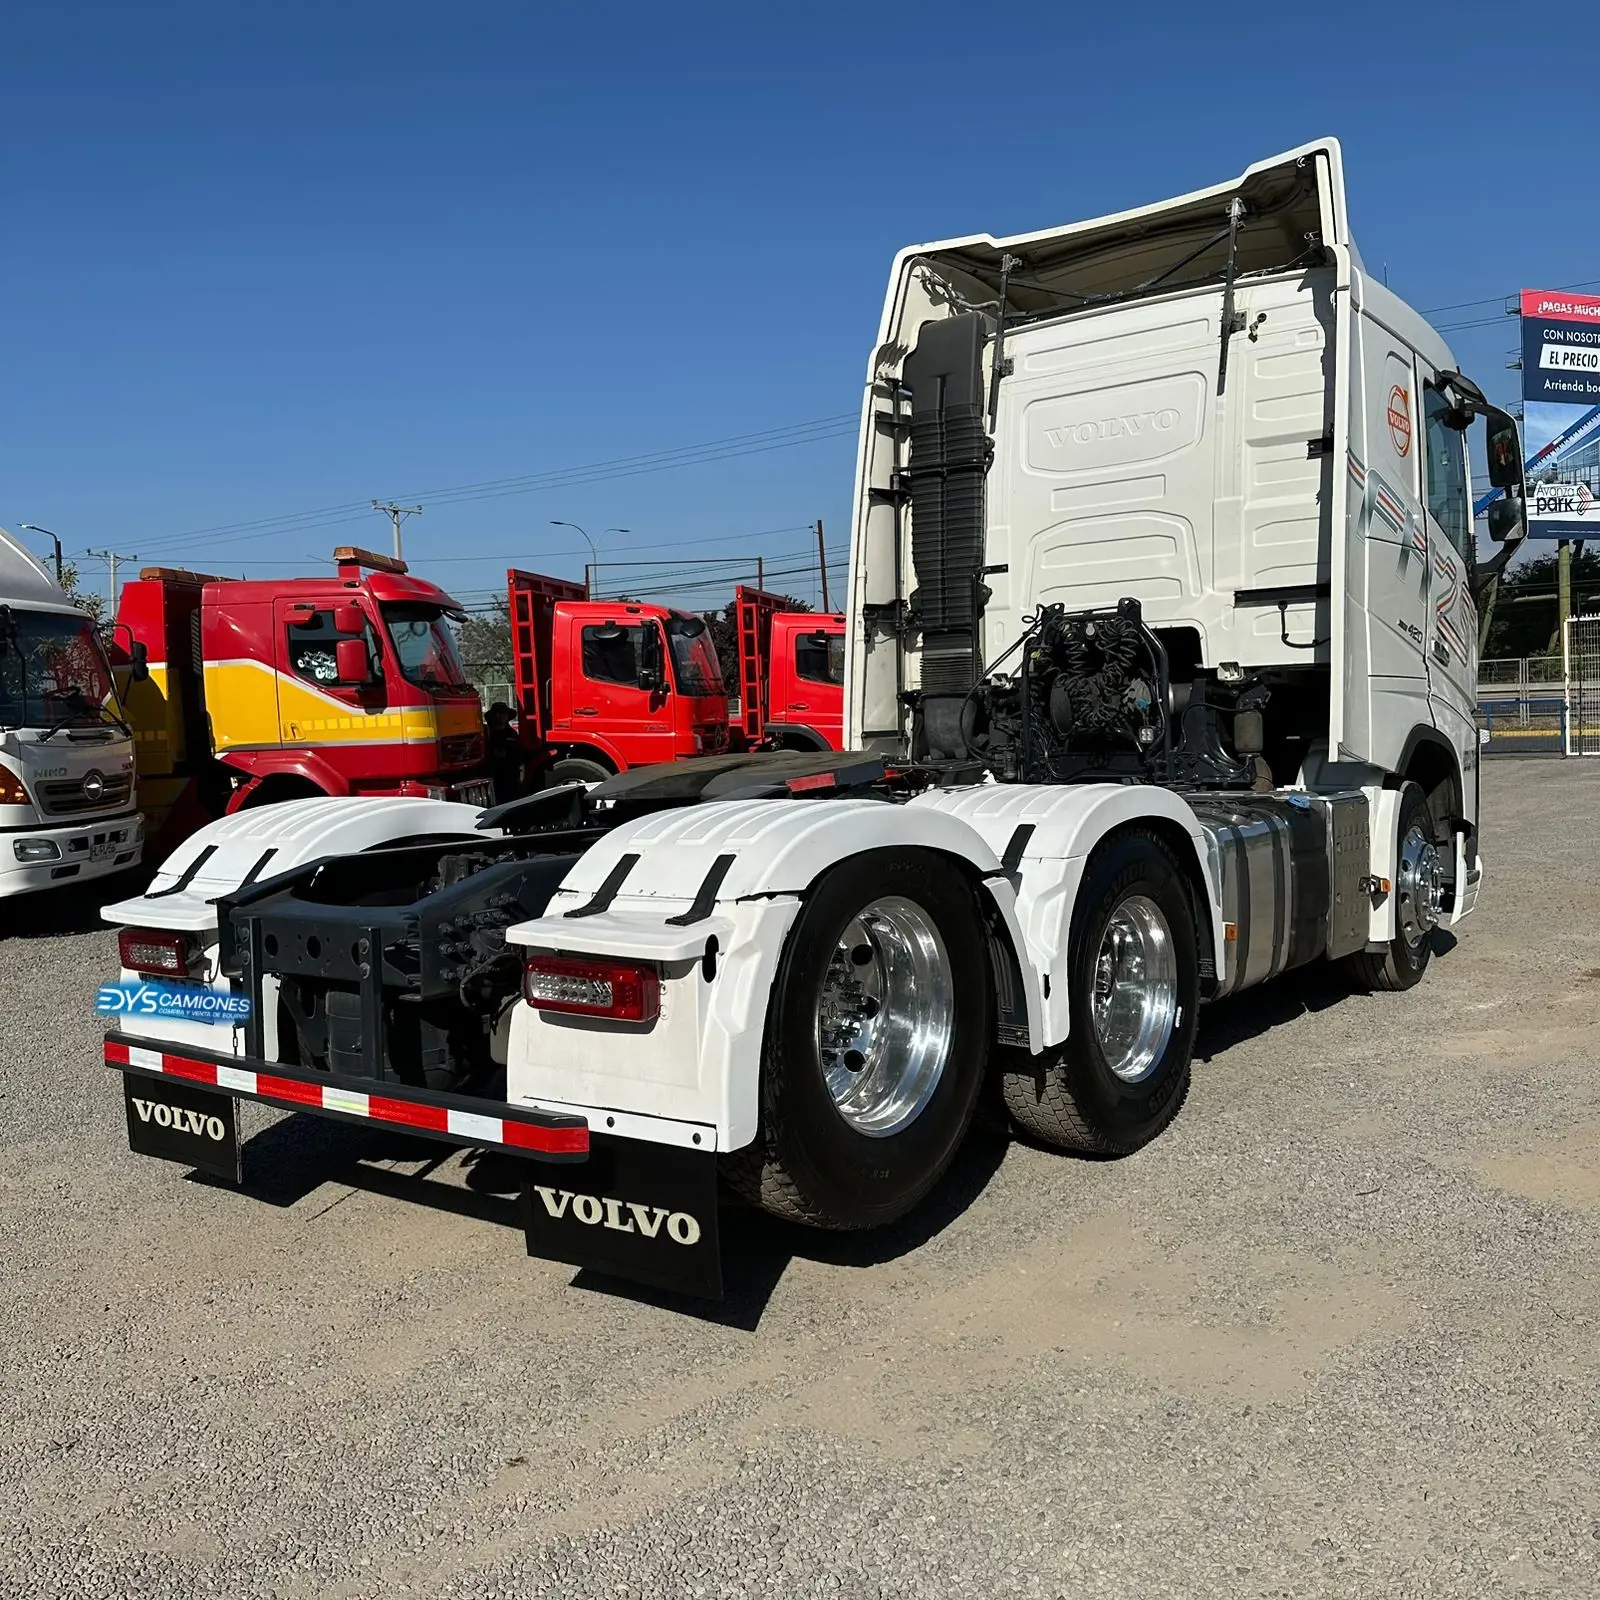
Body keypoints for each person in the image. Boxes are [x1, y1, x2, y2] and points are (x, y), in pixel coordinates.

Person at [485, 701, 523, 803]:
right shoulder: (486, 734)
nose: (498, 716)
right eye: (496, 713)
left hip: (511, 779)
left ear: (507, 716)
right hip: (493, 780)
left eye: (502, 713)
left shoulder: (512, 735)